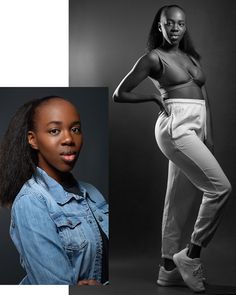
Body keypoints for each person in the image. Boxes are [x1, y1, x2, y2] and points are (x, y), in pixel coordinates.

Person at [113, 5, 231, 293]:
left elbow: (204, 96)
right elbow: (120, 93)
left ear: (184, 26)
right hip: (175, 127)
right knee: (220, 188)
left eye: (180, 24)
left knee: (177, 198)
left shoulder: (190, 58)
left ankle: (168, 269)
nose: (175, 28)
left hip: (196, 125)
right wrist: (154, 98)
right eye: (169, 24)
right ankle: (191, 255)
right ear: (160, 27)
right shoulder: (154, 58)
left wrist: (209, 135)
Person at [0, 96, 109, 285]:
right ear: (33, 140)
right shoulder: (31, 200)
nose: (68, 139)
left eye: (75, 129)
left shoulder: (92, 193)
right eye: (54, 130)